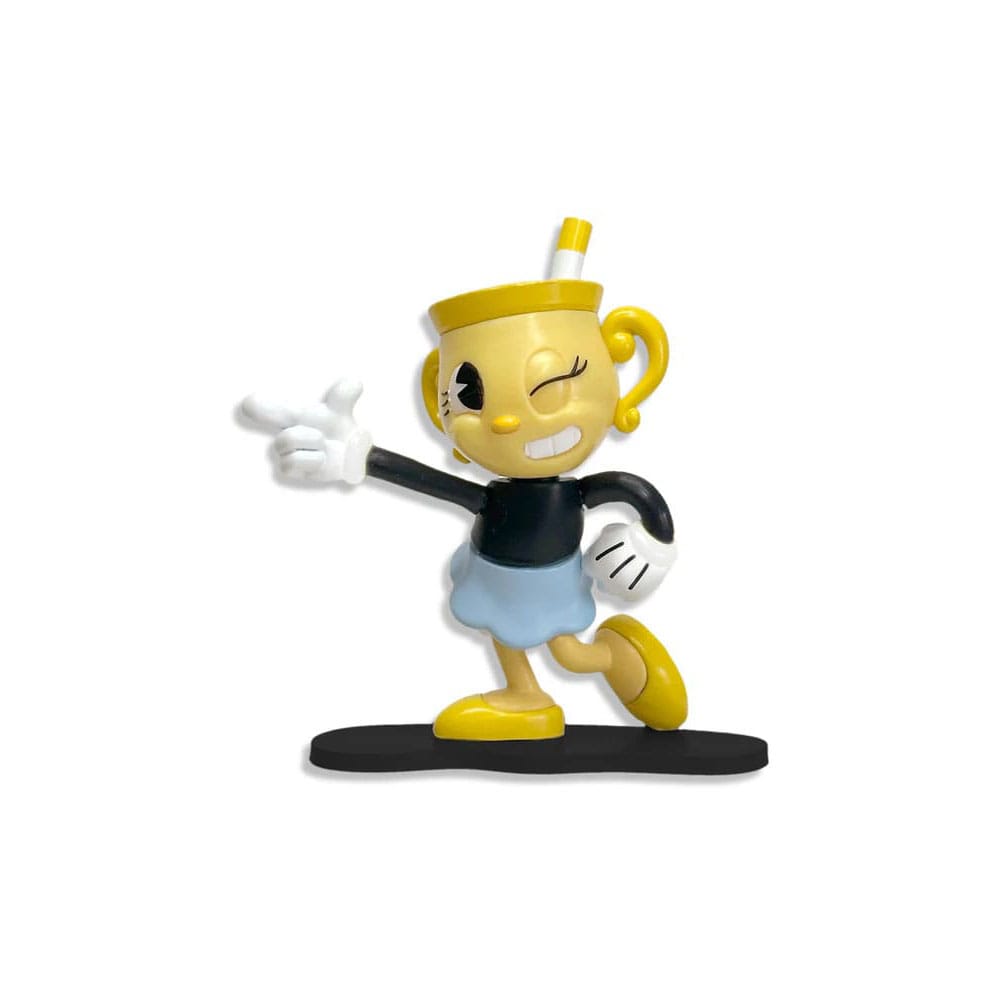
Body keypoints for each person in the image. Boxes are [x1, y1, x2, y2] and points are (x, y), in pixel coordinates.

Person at [241, 218, 687, 741]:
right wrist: (360, 456)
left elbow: (635, 496)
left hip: (552, 579)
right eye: (470, 396)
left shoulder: (574, 493)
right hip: (494, 575)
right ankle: (525, 697)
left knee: (570, 652)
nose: (506, 421)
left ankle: (616, 657)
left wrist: (653, 542)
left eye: (548, 385)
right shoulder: (493, 496)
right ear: (439, 397)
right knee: (503, 632)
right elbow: (436, 483)